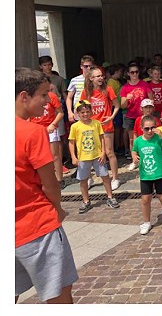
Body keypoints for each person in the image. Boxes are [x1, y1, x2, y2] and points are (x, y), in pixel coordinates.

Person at [15, 68, 78, 304]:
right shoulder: (33, 132)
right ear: (24, 96)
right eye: (43, 95)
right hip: (37, 226)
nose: (48, 101)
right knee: (59, 296)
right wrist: (58, 209)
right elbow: (50, 185)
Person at [68, 100, 120, 212]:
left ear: (91, 111)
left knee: (105, 176)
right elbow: (71, 142)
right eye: (82, 112)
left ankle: (110, 197)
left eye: (87, 111)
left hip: (97, 156)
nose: (85, 114)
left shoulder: (96, 124)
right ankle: (86, 200)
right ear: (77, 113)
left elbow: (102, 138)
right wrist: (73, 156)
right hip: (83, 157)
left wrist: (103, 152)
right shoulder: (75, 126)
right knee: (83, 179)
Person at [132, 114, 162, 235]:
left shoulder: (158, 139)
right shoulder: (138, 141)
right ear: (142, 128)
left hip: (159, 173)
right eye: (147, 128)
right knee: (145, 199)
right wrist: (134, 156)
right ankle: (146, 222)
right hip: (145, 175)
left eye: (152, 128)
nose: (150, 131)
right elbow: (134, 150)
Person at [80, 66, 121, 189]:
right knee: (90, 153)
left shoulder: (108, 89)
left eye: (101, 75)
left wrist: (111, 117)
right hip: (91, 126)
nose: (101, 78)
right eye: (98, 76)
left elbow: (117, 105)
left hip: (106, 125)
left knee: (109, 152)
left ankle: (115, 178)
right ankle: (90, 178)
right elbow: (82, 108)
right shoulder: (86, 92)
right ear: (91, 78)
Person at [29, 76, 65, 187]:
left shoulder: (52, 96)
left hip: (50, 128)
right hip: (35, 129)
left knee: (55, 155)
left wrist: (53, 124)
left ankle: (59, 179)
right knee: (38, 156)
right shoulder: (32, 96)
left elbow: (60, 113)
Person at [120, 62, 153, 170]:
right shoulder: (125, 87)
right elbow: (122, 105)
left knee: (146, 136)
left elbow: (151, 98)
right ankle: (134, 160)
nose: (134, 74)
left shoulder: (144, 84)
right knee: (132, 139)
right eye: (132, 72)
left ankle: (146, 157)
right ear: (128, 73)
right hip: (130, 116)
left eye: (136, 72)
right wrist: (126, 98)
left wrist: (150, 111)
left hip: (144, 115)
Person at [66, 54, 95, 120]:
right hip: (79, 112)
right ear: (81, 67)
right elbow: (69, 98)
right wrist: (69, 112)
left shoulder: (96, 79)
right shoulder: (74, 80)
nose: (88, 68)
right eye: (86, 66)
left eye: (90, 66)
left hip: (94, 111)